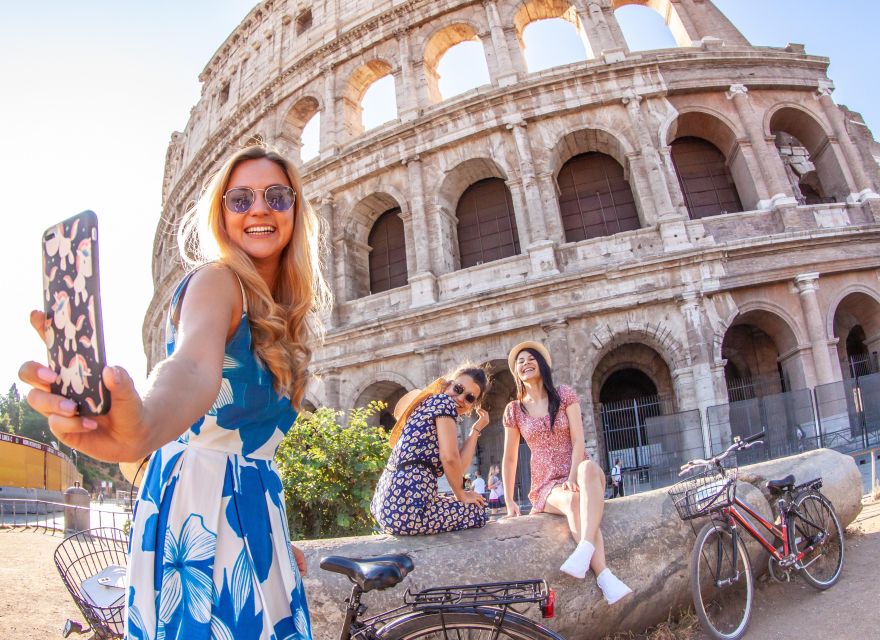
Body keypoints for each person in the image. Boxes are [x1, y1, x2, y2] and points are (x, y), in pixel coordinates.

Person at [20, 145, 329, 639]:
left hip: (246, 506)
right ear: (221, 214)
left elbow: (248, 442)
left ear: (295, 209)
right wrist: (141, 426)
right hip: (199, 504)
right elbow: (189, 369)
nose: (259, 208)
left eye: (276, 195)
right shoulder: (218, 281)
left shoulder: (282, 310)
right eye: (239, 198)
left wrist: (264, 525)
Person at [502, 341, 632, 605]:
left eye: (530, 359)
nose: (525, 364)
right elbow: (510, 456)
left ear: (541, 363)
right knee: (573, 501)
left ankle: (584, 548)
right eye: (519, 362)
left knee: (588, 468)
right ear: (516, 372)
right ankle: (604, 575)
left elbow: (578, 441)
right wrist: (508, 498)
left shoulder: (564, 395)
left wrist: (573, 476)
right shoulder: (514, 409)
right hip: (547, 484)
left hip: (577, 471)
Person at [370, 366, 491, 535]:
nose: (460, 398)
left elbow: (458, 468)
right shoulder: (443, 402)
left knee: (472, 503)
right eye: (458, 389)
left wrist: (475, 430)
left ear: (472, 405)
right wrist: (461, 494)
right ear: (447, 386)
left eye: (469, 398)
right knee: (479, 509)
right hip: (407, 510)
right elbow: (449, 458)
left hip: (389, 508)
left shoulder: (430, 406)